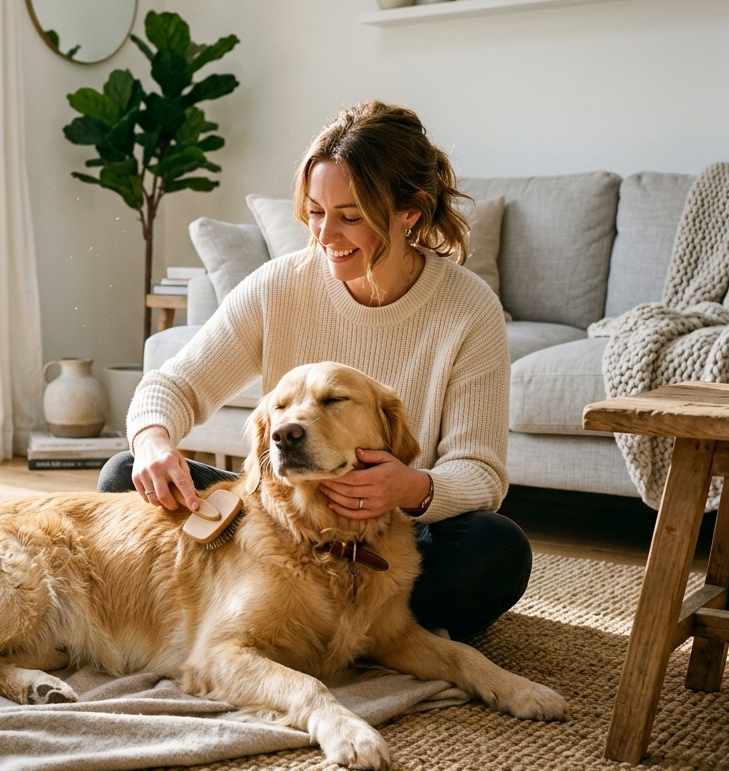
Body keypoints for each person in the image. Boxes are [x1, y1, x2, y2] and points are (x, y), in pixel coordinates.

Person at [98, 100, 529, 641]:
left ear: (411, 211)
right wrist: (153, 441)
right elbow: (174, 385)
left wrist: (408, 488)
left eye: (351, 216)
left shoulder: (469, 309)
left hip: (392, 540)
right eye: (316, 212)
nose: (325, 235)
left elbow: (479, 471)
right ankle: (315, 626)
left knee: (496, 549)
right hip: (283, 533)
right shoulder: (278, 285)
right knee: (124, 475)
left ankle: (336, 626)